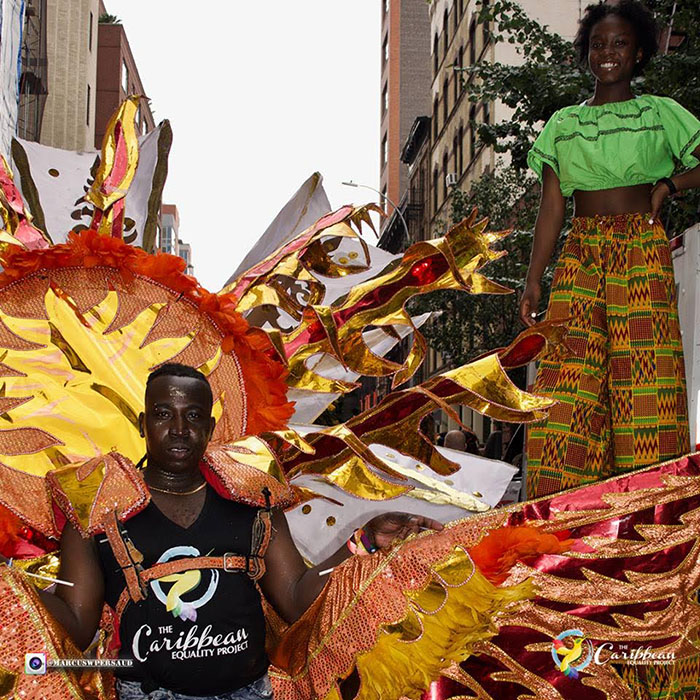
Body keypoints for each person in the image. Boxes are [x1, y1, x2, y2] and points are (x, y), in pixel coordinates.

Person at [33, 364, 441, 700]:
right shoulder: (98, 509)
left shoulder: (252, 500)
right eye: (163, 414)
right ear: (143, 423)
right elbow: (77, 621)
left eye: (193, 416)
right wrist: (13, 590)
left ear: (210, 428)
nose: (178, 428)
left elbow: (297, 599)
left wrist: (365, 540)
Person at [520, 0, 700, 498]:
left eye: (620, 43)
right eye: (598, 43)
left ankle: (651, 519)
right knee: (567, 387)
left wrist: (672, 184)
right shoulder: (563, 125)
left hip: (641, 250)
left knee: (645, 382)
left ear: (639, 52)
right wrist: (535, 278)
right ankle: (567, 525)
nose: (608, 52)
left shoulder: (662, 113)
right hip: (581, 254)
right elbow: (552, 208)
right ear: (586, 52)